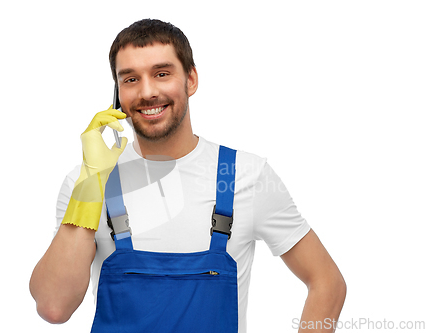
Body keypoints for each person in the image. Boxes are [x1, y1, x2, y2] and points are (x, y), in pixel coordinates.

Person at [30, 19, 346, 332]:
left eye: (162, 74)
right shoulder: (86, 183)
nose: (147, 91)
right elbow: (54, 306)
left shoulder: (244, 175)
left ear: (191, 80)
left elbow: (326, 281)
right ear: (118, 95)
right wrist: (91, 181)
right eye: (130, 79)